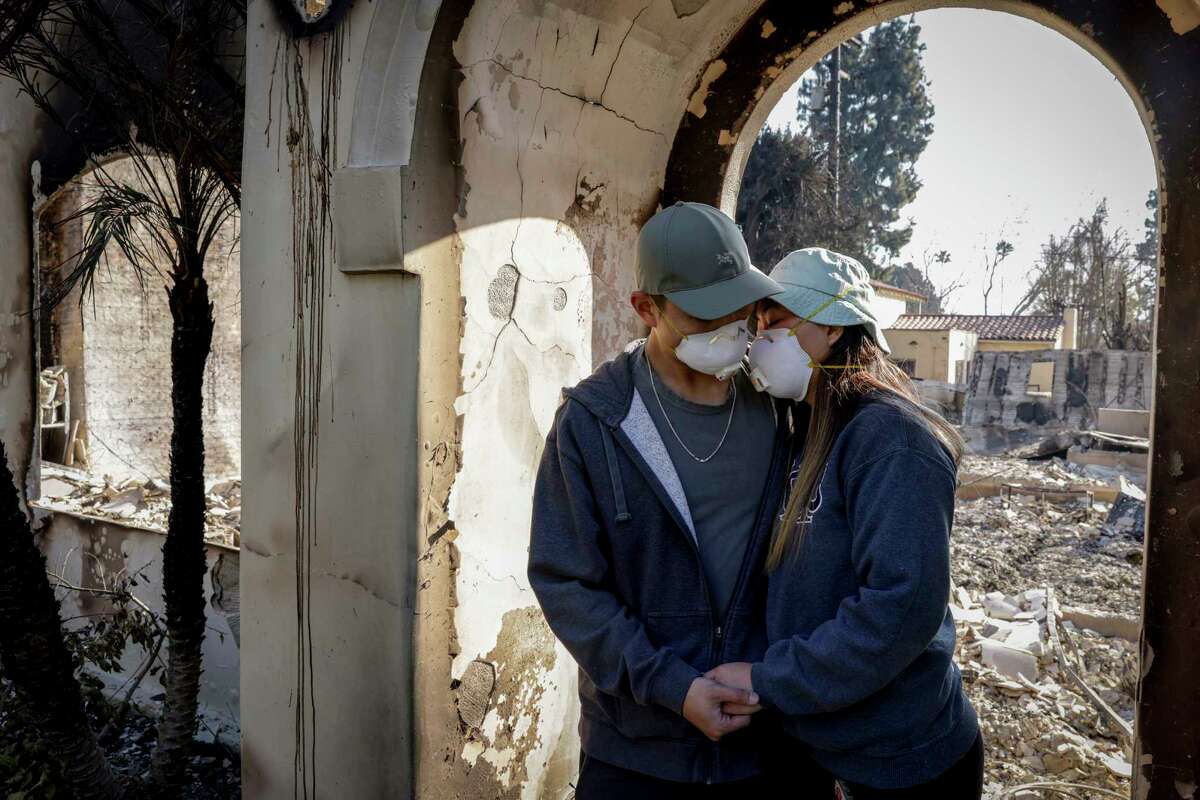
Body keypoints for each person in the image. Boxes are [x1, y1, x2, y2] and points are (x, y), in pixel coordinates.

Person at [528, 202, 818, 798]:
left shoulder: (782, 407)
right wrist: (672, 688)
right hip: (636, 755)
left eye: (739, 304)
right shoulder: (595, 421)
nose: (731, 325)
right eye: (704, 313)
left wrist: (779, 676)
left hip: (765, 749)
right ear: (645, 307)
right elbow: (566, 582)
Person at [709, 247, 984, 799]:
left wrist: (769, 678)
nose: (761, 338)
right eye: (758, 322)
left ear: (834, 329)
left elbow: (900, 608)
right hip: (817, 741)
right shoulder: (803, 428)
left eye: (778, 320)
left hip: (896, 760)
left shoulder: (890, 440)